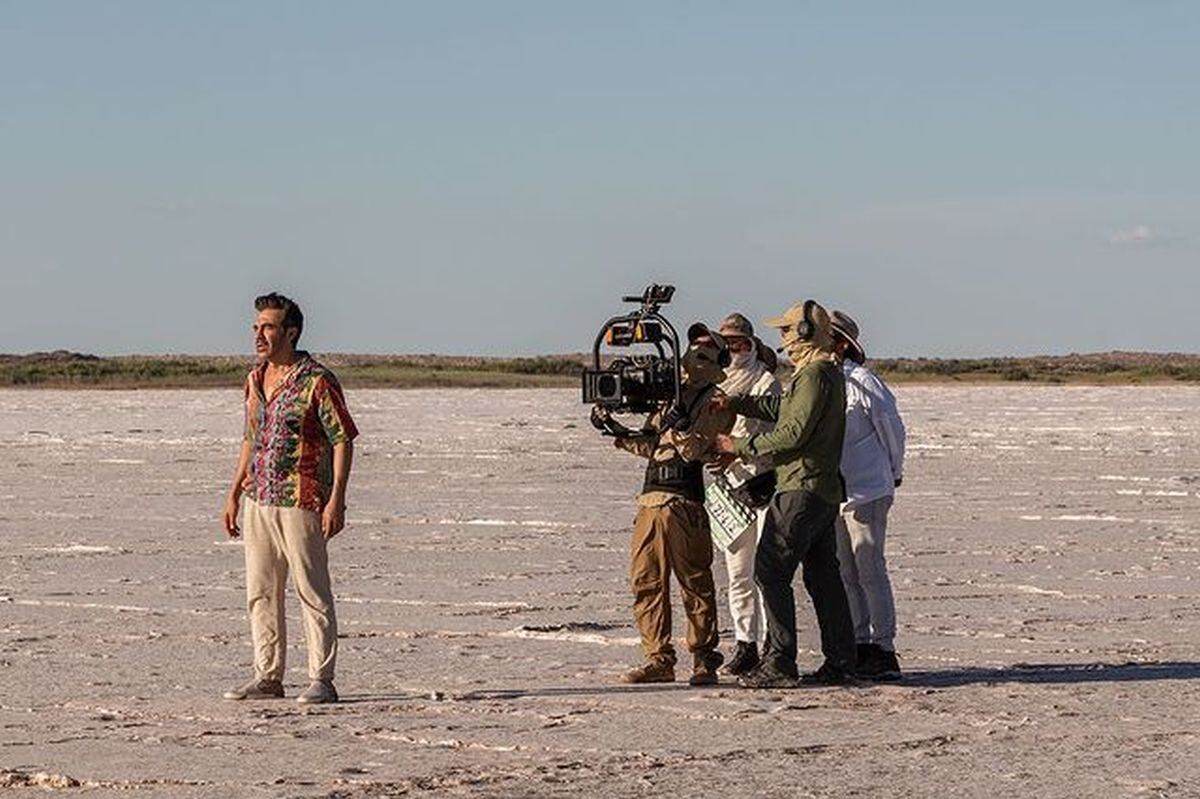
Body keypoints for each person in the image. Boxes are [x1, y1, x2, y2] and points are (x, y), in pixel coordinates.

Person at [221, 292, 358, 704]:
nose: (259, 335)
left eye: (268, 327)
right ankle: (268, 676)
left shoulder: (317, 380)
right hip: (258, 497)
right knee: (261, 590)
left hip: (302, 497)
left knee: (311, 589)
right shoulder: (254, 378)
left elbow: (343, 437)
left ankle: (322, 678)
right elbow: (250, 438)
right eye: (256, 327)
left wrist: (337, 499)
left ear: (291, 332)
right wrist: (232, 493)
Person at [713, 300, 856, 687]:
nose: (784, 340)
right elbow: (783, 408)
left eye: (788, 331)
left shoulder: (813, 375)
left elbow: (792, 433)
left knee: (770, 569)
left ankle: (779, 661)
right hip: (822, 491)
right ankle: (842, 659)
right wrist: (737, 400)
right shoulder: (826, 372)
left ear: (805, 333)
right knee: (824, 578)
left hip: (801, 489)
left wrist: (737, 446)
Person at [596, 325, 735, 686]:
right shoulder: (670, 396)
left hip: (684, 501)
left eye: (707, 347)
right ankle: (658, 657)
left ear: (719, 358)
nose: (696, 351)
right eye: (694, 345)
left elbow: (694, 449)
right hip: (651, 500)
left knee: (695, 583)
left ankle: (704, 657)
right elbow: (651, 445)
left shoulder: (715, 399)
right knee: (646, 582)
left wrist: (677, 424)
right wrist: (615, 431)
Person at [829, 310, 906, 680]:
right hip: (835, 493)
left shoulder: (863, 382)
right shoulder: (822, 382)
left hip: (867, 490)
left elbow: (891, 430)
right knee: (845, 571)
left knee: (870, 569)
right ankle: (858, 642)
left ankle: (883, 647)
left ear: (842, 344)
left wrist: (893, 474)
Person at [709, 313, 781, 676]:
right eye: (727, 343)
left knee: (765, 572)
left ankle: (771, 646)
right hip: (728, 488)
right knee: (737, 573)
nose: (734, 349)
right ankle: (744, 644)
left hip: (764, 483)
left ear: (752, 345)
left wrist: (735, 450)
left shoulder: (766, 383)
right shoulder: (712, 382)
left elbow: (771, 435)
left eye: (739, 342)